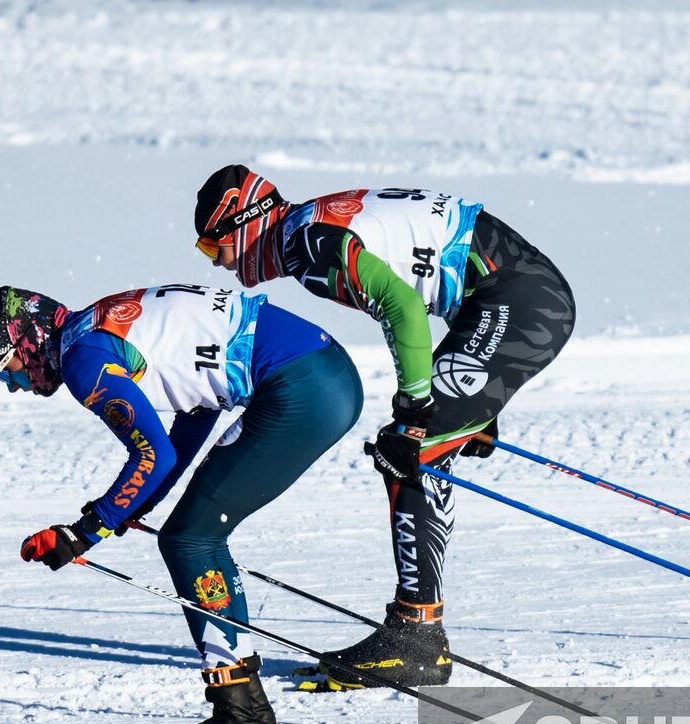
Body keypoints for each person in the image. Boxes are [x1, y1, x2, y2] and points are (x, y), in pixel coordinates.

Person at [193, 166, 575, 691]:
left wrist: (419, 403)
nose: (221, 265)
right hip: (511, 301)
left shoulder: (310, 246)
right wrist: (470, 401)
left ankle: (416, 639)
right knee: (418, 446)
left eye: (215, 248)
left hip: (518, 303)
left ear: (243, 224)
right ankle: (416, 629)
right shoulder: (307, 228)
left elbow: (402, 305)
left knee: (408, 452)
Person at [0, 282, 362, 724]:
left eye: (5, 367)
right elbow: (196, 410)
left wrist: (87, 530)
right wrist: (138, 504)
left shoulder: (82, 360)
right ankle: (249, 717)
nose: (13, 384)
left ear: (27, 340)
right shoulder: (93, 327)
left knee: (191, 539)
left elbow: (153, 455)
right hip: (323, 374)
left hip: (299, 387)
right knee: (192, 534)